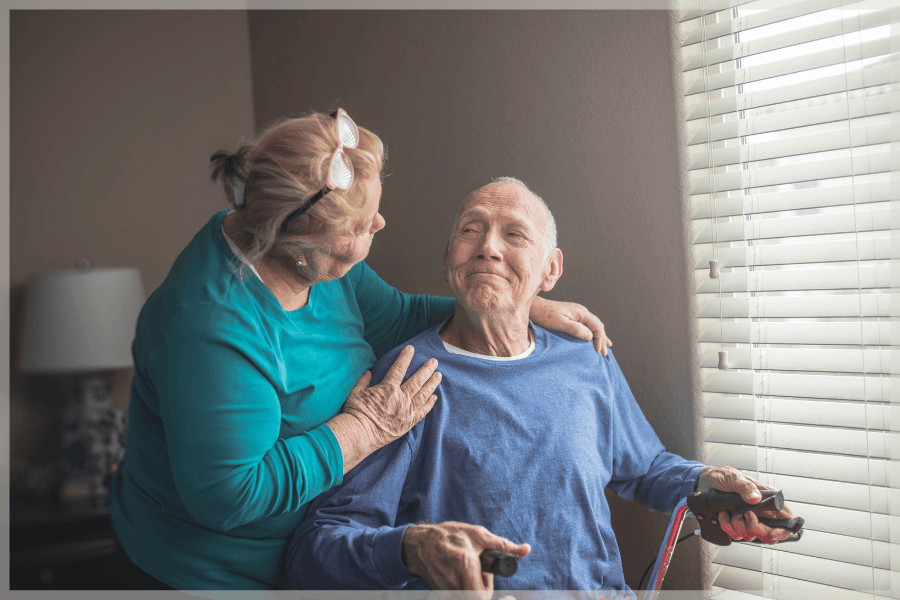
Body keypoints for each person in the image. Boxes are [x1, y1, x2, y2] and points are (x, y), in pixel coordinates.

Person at [106, 111, 612, 591]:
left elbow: (399, 315)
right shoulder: (210, 327)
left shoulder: (304, 254)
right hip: (208, 575)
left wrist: (517, 305)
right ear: (299, 240)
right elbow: (232, 494)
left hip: (311, 558)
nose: (379, 224)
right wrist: (363, 431)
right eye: (359, 224)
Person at [288, 177, 796, 594]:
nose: (488, 247)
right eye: (472, 230)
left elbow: (645, 468)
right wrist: (414, 548)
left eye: (514, 235)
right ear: (450, 257)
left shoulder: (587, 359)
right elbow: (317, 550)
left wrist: (708, 484)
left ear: (549, 270)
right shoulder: (405, 382)